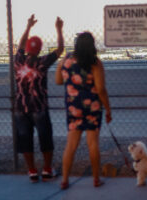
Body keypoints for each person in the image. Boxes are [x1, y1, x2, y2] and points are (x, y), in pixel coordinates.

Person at [55, 32, 112, 189]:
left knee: (71, 145)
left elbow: (58, 81)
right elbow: (101, 89)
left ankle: (65, 180)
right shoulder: (95, 63)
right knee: (93, 144)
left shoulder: (66, 60)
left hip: (73, 108)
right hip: (92, 108)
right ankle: (96, 179)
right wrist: (108, 109)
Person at [14, 14, 64, 183]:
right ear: (40, 49)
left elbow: (20, 45)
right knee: (45, 137)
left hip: (21, 108)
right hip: (39, 107)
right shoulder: (42, 62)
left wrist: (28, 26)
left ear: (27, 48)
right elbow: (60, 49)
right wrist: (59, 29)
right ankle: (47, 169)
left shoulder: (18, 60)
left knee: (25, 138)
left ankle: (32, 171)